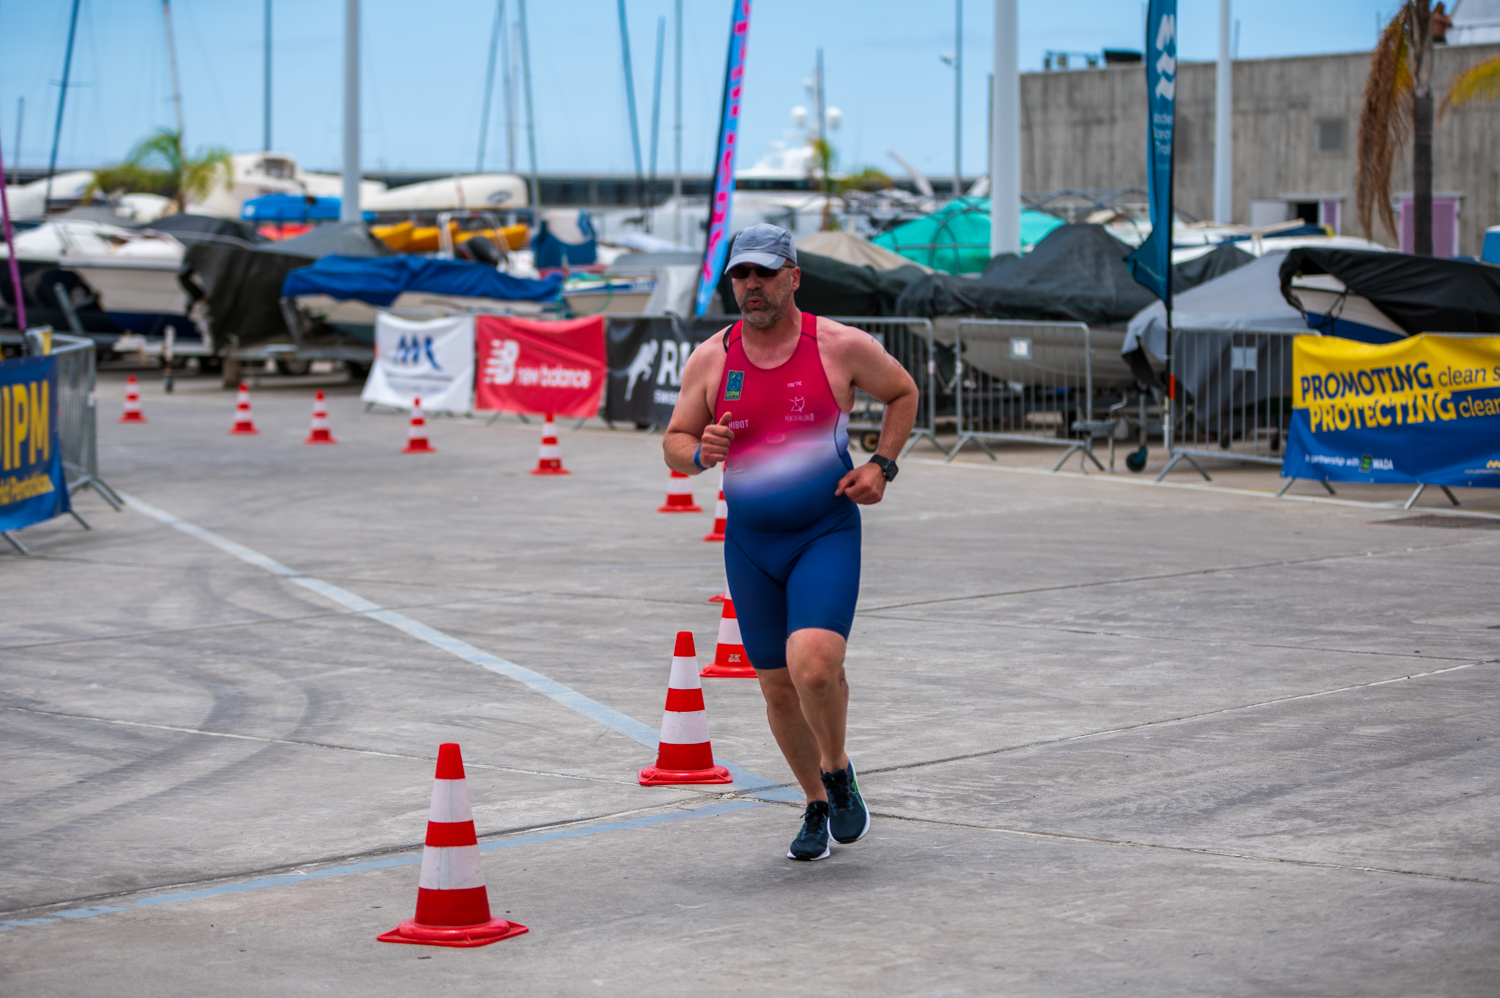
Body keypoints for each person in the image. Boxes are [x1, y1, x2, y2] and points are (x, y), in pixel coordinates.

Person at [663, 223, 918, 860]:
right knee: (777, 687)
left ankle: (836, 768)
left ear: (794, 277)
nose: (751, 285)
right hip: (752, 545)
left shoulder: (839, 345)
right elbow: (674, 442)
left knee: (815, 666)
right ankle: (814, 802)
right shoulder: (712, 358)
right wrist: (699, 452)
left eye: (764, 272)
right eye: (741, 275)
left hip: (823, 532)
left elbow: (903, 392)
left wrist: (881, 466)